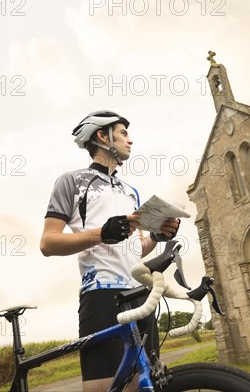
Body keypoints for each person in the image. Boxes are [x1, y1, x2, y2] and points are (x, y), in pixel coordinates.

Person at [40, 110, 180, 392]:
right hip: (102, 295)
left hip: (140, 295)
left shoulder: (131, 192)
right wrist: (100, 233)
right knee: (103, 388)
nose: (131, 141)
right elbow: (48, 242)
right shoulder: (72, 181)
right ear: (103, 137)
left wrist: (157, 234)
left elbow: (134, 250)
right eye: (124, 133)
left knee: (147, 385)